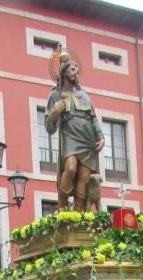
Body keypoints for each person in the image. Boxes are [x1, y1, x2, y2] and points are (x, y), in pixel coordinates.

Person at [46, 48, 104, 212]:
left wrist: (100, 136)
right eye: (72, 69)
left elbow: (93, 117)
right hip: (70, 137)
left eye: (77, 70)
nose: (75, 73)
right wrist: (56, 111)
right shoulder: (55, 95)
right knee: (70, 168)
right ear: (64, 72)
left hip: (88, 139)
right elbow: (49, 127)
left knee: (84, 177)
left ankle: (79, 214)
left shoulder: (84, 96)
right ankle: (63, 207)